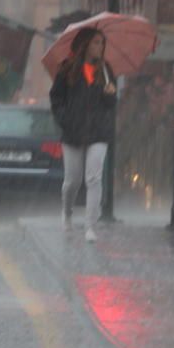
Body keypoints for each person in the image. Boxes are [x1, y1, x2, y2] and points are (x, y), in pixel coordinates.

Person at [49, 27, 116, 243]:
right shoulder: (67, 70)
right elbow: (56, 99)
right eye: (96, 43)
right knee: (72, 181)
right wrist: (65, 119)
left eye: (102, 43)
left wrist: (110, 95)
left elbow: (110, 104)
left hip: (98, 131)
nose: (100, 47)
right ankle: (67, 214)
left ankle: (90, 226)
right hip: (73, 131)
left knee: (94, 178)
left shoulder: (105, 70)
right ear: (85, 44)